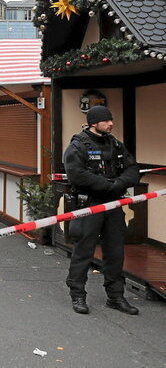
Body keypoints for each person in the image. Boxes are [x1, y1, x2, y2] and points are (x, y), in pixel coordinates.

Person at [63, 105, 140, 315]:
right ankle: (77, 295)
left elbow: (133, 169)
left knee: (115, 252)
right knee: (83, 252)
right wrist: (109, 185)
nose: (111, 123)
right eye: (106, 121)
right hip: (89, 205)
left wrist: (119, 184)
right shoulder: (78, 146)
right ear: (94, 123)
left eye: (111, 120)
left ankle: (115, 297)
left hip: (114, 206)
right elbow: (77, 175)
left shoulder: (115, 144)